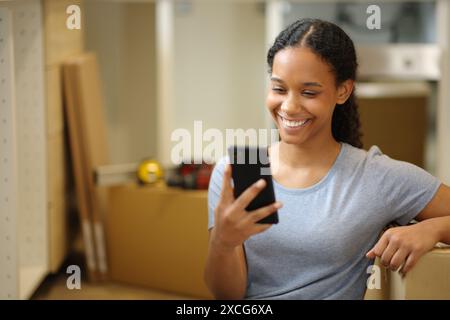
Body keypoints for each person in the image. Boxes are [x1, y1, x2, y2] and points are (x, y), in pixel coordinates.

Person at [204, 18, 450, 300]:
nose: (289, 106)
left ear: (343, 91)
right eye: (279, 89)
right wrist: (223, 243)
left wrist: (434, 228)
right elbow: (228, 298)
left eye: (309, 92)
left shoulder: (374, 175)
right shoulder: (243, 169)